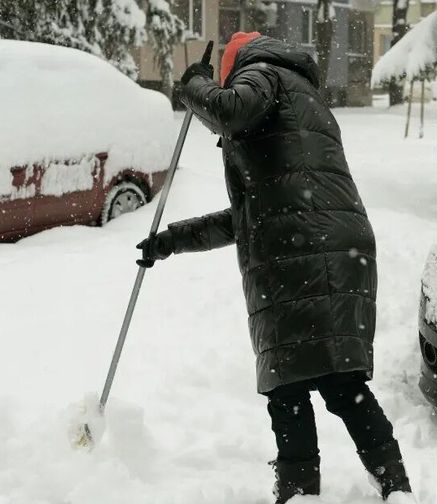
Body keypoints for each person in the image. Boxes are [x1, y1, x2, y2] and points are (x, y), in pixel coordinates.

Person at [136, 32, 414, 503]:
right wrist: (171, 241)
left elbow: (229, 109)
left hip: (301, 249)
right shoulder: (298, 93)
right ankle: (395, 487)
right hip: (330, 245)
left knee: (290, 384)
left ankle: (301, 492)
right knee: (338, 381)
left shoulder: (263, 73)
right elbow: (253, 216)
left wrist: (194, 86)